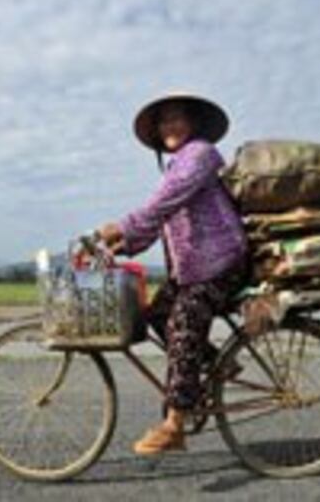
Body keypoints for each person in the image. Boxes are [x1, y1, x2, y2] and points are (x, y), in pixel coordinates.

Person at [97, 93, 248, 455]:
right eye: (164, 121)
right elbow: (157, 221)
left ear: (193, 123)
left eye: (177, 118)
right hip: (192, 270)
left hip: (223, 262)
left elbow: (165, 201)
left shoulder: (201, 154)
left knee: (184, 317)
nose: (170, 126)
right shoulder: (177, 166)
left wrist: (120, 226)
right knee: (157, 314)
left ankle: (175, 424)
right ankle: (218, 365)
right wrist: (119, 246)